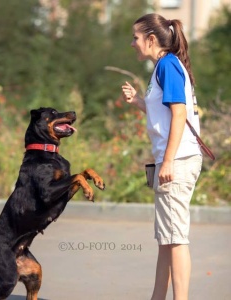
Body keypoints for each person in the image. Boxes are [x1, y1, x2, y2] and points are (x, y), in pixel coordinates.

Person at [121, 14, 202, 300]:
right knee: (167, 240)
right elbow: (165, 115)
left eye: (136, 37)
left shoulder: (167, 65)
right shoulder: (164, 67)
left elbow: (179, 114)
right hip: (175, 160)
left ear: (151, 39)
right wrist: (139, 102)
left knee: (176, 239)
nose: (132, 43)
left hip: (176, 162)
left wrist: (167, 161)